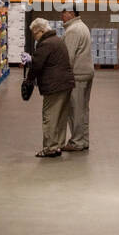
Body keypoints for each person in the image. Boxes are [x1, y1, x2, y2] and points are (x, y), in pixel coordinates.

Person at [25, 18, 75, 157]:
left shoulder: (45, 44)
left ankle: (50, 148)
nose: (35, 37)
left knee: (50, 116)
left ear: (40, 31)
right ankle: (58, 145)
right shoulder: (58, 40)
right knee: (60, 116)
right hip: (66, 83)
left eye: (35, 34)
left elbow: (37, 65)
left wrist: (28, 80)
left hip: (54, 85)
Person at [61, 7, 93, 152]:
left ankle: (77, 142)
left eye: (64, 13)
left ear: (72, 14)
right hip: (86, 72)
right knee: (83, 109)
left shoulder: (73, 30)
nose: (62, 15)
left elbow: (68, 56)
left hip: (77, 75)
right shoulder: (83, 26)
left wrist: (62, 77)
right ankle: (83, 139)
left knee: (75, 110)